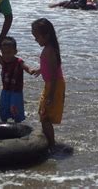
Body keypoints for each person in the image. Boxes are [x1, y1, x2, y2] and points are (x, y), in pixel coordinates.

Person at [31, 18, 65, 150]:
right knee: (43, 114)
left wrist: (50, 96)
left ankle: (52, 145)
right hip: (51, 85)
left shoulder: (50, 51)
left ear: (46, 36)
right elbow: (52, 68)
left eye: (37, 37)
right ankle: (50, 142)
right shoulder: (48, 48)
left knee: (45, 117)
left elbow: (55, 76)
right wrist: (40, 70)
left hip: (54, 86)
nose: (35, 40)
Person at [0, 37, 35, 123]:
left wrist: (30, 70)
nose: (6, 55)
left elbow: (25, 67)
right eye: (4, 53)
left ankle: (18, 123)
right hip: (5, 89)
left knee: (15, 107)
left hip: (16, 90)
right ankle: (4, 122)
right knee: (3, 107)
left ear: (15, 52)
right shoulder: (4, 61)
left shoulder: (19, 62)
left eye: (9, 53)